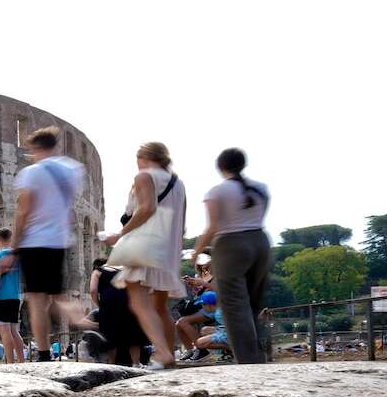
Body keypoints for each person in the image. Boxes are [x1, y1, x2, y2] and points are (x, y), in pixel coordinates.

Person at [101, 143, 186, 368]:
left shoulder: (144, 176)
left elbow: (147, 208)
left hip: (144, 242)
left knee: (139, 302)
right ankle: (170, 359)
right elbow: (182, 224)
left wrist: (120, 234)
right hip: (169, 247)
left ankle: (162, 353)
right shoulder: (178, 183)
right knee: (160, 306)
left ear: (144, 158)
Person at [11, 127, 86, 362]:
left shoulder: (32, 173)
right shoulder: (73, 170)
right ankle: (88, 323)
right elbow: (72, 210)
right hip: (59, 242)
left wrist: (15, 243)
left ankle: (44, 354)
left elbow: (24, 210)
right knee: (59, 297)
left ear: (36, 148)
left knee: (37, 301)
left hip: (34, 241)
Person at [194, 148, 273, 364]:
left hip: (230, 244)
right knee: (254, 303)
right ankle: (261, 353)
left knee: (235, 305)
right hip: (260, 241)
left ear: (221, 167)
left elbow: (213, 226)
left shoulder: (217, 191)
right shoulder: (261, 188)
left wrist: (197, 251)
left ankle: (247, 360)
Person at [0, 227, 26, 363]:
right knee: (14, 331)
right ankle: (22, 361)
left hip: (1, 297)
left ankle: (10, 363)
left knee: (4, 332)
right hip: (16, 297)